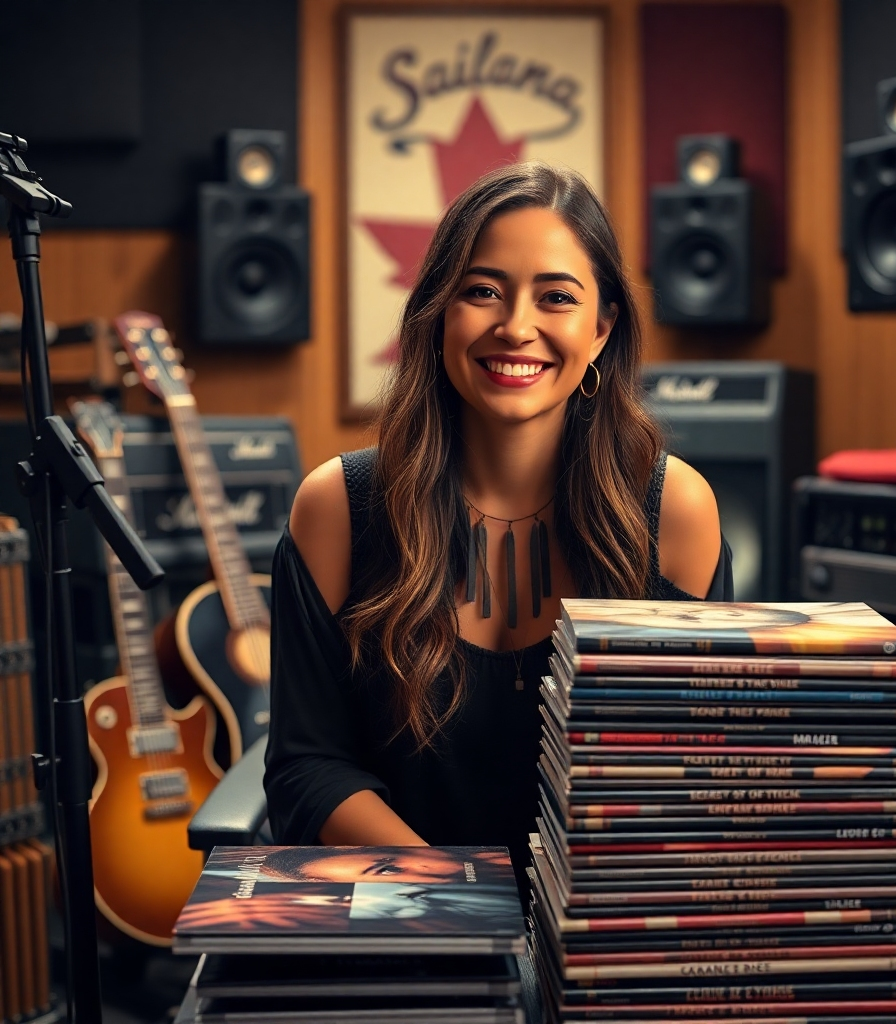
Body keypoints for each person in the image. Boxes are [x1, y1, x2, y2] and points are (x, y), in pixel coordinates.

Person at [264, 161, 732, 897]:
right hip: (405, 927)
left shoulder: (675, 513)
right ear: (437, 314)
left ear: (602, 328)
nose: (516, 327)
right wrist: (460, 900)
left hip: (604, 932)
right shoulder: (337, 508)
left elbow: (692, 770)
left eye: (556, 297)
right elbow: (307, 766)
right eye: (481, 291)